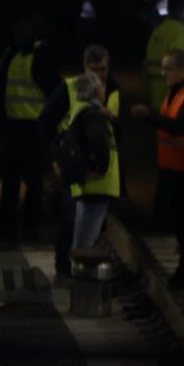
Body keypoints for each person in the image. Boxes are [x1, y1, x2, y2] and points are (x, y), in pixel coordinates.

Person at [133, 48, 184, 290]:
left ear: (183, 69)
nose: (163, 73)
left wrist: (149, 115)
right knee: (181, 222)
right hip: (173, 166)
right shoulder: (177, 92)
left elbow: (179, 126)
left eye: (168, 68)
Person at [40, 44, 121, 279]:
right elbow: (45, 123)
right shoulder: (70, 88)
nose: (98, 75)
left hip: (96, 169)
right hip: (75, 163)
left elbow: (116, 134)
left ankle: (76, 269)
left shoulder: (114, 89)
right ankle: (66, 268)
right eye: (93, 69)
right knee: (71, 217)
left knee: (86, 222)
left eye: (102, 69)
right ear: (84, 68)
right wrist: (56, 157)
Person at [0, 13, 61, 238]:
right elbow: (57, 93)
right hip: (28, 129)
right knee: (30, 181)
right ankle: (27, 226)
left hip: (24, 128)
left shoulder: (17, 55)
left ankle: (16, 226)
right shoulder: (31, 55)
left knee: (19, 181)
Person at [62, 73, 120, 251]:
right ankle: (79, 274)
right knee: (85, 241)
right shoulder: (92, 114)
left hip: (87, 183)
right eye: (102, 86)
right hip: (97, 183)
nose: (104, 89)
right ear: (95, 90)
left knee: (82, 233)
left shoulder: (79, 110)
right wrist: (101, 168)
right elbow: (98, 141)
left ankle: (78, 270)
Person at [144, 0, 184, 111]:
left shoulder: (157, 32)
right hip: (174, 103)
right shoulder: (180, 34)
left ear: (168, 8)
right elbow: (180, 71)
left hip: (155, 100)